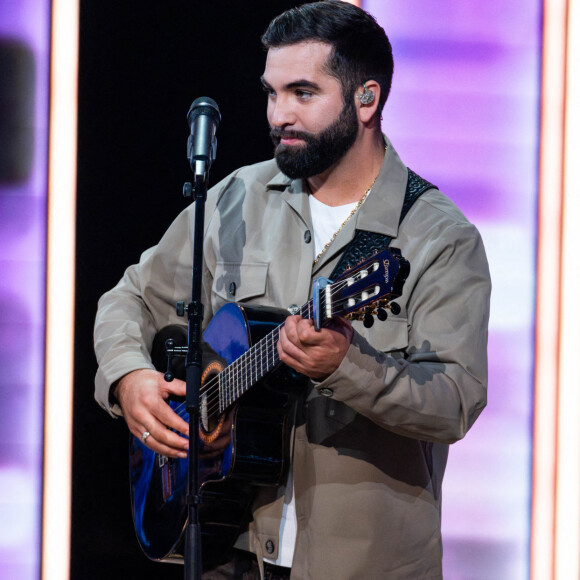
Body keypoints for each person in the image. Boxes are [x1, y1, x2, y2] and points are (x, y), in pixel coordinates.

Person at [94, 1, 491, 578]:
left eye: (302, 93)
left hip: (361, 564)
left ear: (367, 100)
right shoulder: (236, 198)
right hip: (226, 546)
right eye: (272, 92)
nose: (279, 113)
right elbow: (128, 298)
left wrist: (347, 367)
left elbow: (455, 401)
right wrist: (128, 377)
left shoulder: (438, 237)